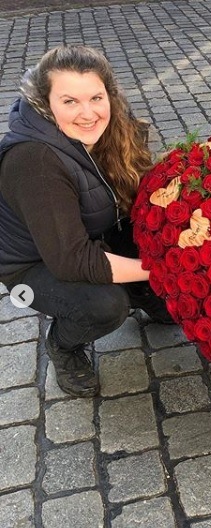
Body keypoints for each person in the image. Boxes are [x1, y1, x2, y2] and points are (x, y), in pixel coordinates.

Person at [0, 45, 173, 398]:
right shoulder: (35, 162)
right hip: (30, 265)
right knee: (104, 306)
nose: (87, 113)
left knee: (161, 229)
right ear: (45, 104)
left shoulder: (109, 127)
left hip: (91, 232)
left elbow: (142, 190)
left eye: (95, 97)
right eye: (69, 102)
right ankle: (63, 344)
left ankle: (141, 292)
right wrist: (165, 268)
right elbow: (71, 260)